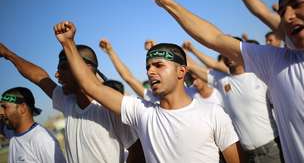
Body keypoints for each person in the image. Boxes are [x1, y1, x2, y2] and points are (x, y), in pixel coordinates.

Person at [144, 0, 304, 163]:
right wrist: (164, 0)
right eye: (282, 12)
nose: (288, 17)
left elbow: (263, 13)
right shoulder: (277, 63)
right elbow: (214, 38)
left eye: (298, 4)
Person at [53, 21, 244, 163]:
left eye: (159, 65)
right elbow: (91, 86)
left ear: (181, 71)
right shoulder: (143, 112)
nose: (150, 71)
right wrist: (69, 44)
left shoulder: (212, 113)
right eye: (148, 67)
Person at [0, 43, 139, 163]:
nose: (57, 74)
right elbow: (39, 78)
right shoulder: (68, 101)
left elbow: (138, 152)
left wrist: (68, 42)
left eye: (63, 67)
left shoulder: (111, 106)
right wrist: (8, 54)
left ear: (85, 68)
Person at [186, 38, 283, 163]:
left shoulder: (259, 76)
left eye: (230, 51)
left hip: (272, 149)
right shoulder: (222, 81)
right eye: (224, 53)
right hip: (246, 154)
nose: (228, 56)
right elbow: (196, 68)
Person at [0, 87, 66, 163]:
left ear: (22, 108)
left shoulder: (42, 139)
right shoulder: (13, 134)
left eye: (4, 107)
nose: (1, 112)